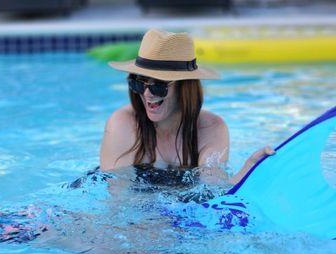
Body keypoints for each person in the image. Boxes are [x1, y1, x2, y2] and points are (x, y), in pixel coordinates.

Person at [100, 29, 273, 184]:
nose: (146, 94)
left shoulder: (210, 129)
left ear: (185, 88)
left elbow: (213, 192)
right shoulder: (123, 123)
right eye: (138, 83)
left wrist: (247, 170)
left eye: (158, 86)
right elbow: (116, 197)